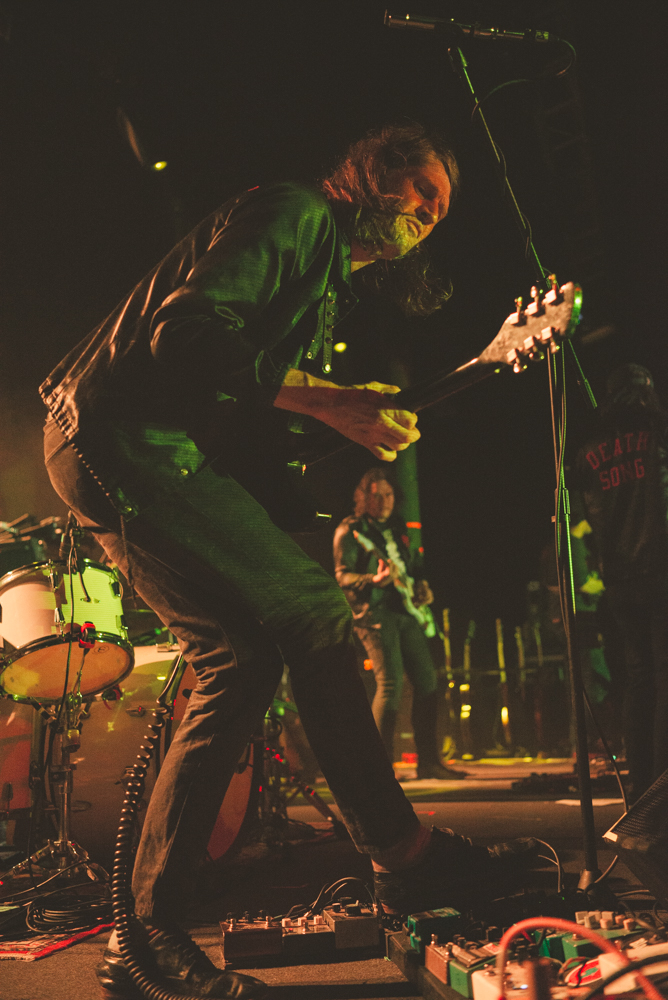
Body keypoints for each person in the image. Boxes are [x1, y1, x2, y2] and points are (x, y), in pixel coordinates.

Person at [40, 124, 532, 1000]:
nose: (428, 214)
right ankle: (402, 857)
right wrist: (333, 402)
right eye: (421, 190)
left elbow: (235, 395)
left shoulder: (322, 275)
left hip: (122, 444)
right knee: (314, 610)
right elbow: (185, 333)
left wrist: (337, 414)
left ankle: (145, 938)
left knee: (241, 662)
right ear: (371, 171)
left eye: (441, 212)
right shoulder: (296, 212)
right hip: (126, 439)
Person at [575, 363, 668, 803]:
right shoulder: (658, 434)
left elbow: (587, 517)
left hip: (619, 579)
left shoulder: (590, 450)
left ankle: (642, 789)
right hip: (660, 568)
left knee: (637, 678)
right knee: (664, 676)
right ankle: (663, 791)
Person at [334, 468, 464, 779]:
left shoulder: (397, 528)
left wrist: (423, 586)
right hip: (374, 614)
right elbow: (342, 575)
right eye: (376, 495)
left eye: (389, 494)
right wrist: (373, 579)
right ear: (363, 498)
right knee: (390, 685)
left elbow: (413, 566)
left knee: (428, 681)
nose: (384, 501)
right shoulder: (351, 530)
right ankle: (379, 771)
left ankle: (429, 762)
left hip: (406, 612)